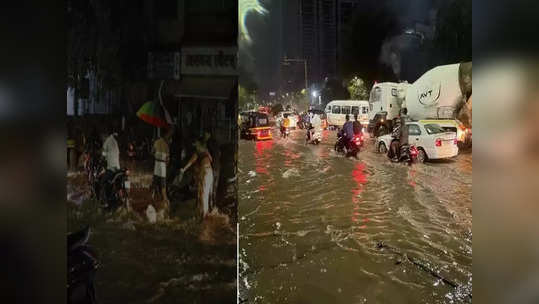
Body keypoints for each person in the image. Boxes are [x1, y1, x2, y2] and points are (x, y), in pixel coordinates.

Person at [178, 138, 214, 220]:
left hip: (205, 172)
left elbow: (191, 162)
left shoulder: (197, 152)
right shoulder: (206, 151)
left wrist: (183, 170)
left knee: (203, 196)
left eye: (196, 144)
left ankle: (204, 218)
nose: (195, 145)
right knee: (206, 195)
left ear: (199, 144)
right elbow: (211, 160)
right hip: (210, 173)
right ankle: (204, 214)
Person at [152, 127, 172, 210]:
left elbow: (152, 152)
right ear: (166, 135)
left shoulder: (156, 142)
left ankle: (152, 202)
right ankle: (167, 205)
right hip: (163, 166)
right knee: (163, 188)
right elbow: (168, 159)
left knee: (154, 185)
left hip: (157, 165)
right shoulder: (166, 146)